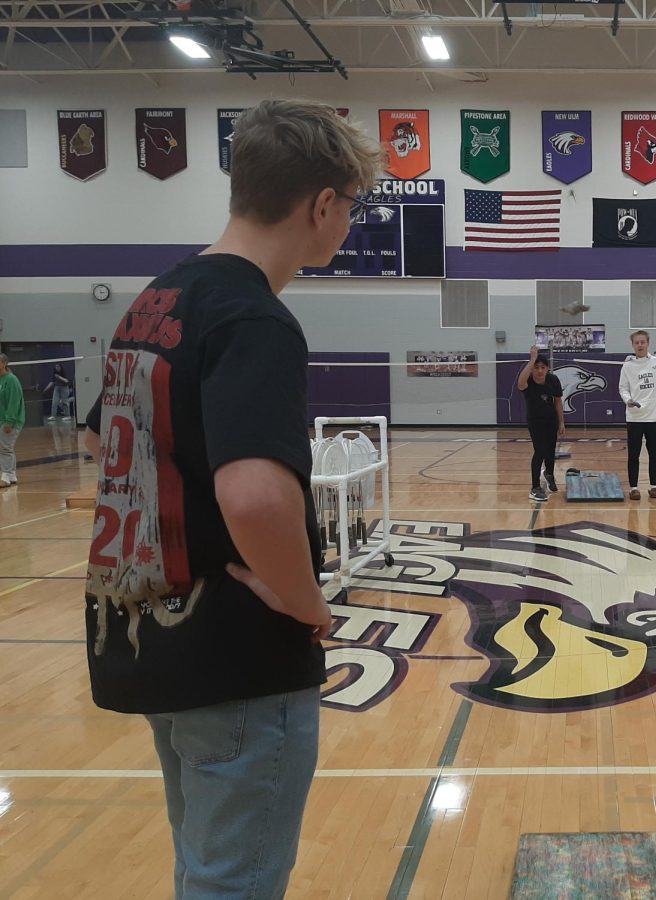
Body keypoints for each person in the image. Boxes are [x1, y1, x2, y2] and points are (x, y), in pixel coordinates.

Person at [82, 99, 383, 898]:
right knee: (234, 884)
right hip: (237, 659)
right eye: (351, 205)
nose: (349, 222)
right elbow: (252, 497)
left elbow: (98, 441)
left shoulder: (154, 301)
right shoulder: (256, 320)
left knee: (204, 870)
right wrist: (305, 601)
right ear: (323, 204)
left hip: (154, 638)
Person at [619, 329, 656, 500]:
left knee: (654, 453)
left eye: (642, 342)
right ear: (633, 345)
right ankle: (634, 488)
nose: (639, 345)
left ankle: (654, 486)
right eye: (636, 342)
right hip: (635, 418)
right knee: (634, 455)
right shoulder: (628, 365)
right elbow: (622, 388)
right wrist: (628, 400)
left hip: (655, 418)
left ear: (647, 343)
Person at [517, 343, 565, 503]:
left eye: (542, 367)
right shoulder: (528, 381)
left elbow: (558, 401)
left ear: (547, 369)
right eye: (536, 367)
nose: (539, 370)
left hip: (551, 420)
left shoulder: (553, 380)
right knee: (540, 451)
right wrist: (532, 359)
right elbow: (519, 383)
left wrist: (561, 422)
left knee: (550, 451)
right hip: (535, 421)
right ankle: (535, 487)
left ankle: (549, 474)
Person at [0, 353, 25, 487]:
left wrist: (9, 421)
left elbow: (13, 402)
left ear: (4, 363)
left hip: (11, 421)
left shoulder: (11, 380)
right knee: (5, 447)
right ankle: (11, 475)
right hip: (1, 420)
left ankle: (5, 476)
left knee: (5, 448)